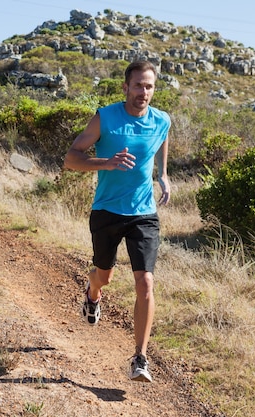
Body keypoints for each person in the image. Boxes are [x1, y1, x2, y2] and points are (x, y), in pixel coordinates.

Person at [63, 60, 171, 383]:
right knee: (104, 277)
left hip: (144, 214)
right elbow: (71, 158)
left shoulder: (161, 120)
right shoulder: (106, 117)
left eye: (149, 86)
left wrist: (163, 174)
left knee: (145, 283)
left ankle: (140, 358)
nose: (143, 92)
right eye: (138, 85)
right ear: (125, 87)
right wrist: (106, 163)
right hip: (108, 211)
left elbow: (163, 136)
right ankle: (92, 294)